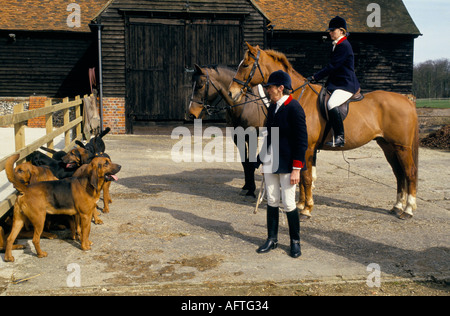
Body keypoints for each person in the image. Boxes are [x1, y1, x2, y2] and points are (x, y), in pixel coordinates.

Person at [255, 70, 308, 258]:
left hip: (288, 164)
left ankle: (295, 241)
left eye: (270, 87)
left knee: (288, 203)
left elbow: (302, 141)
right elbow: (269, 136)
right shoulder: (272, 107)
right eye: (268, 88)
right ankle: (272, 239)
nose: (268, 90)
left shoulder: (294, 108)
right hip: (271, 161)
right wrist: (262, 158)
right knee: (271, 200)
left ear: (281, 88)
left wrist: (297, 168)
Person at [308, 16, 360, 147]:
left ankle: (340, 137)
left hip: (346, 85)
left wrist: (315, 77)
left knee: (331, 104)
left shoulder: (344, 45)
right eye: (329, 30)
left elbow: (332, 67)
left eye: (333, 30)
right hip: (338, 84)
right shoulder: (338, 45)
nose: (330, 32)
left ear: (342, 31)